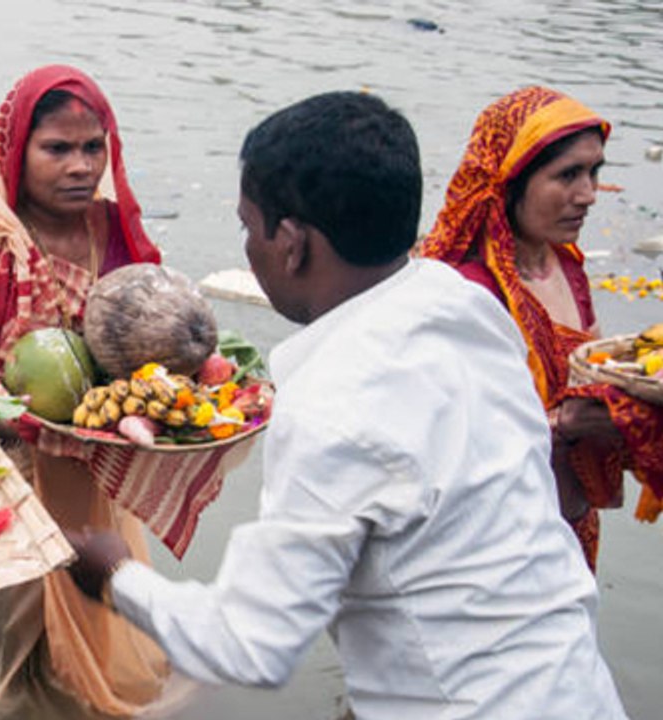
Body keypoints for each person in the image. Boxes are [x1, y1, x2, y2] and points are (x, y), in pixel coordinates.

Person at [65, 91, 628, 718]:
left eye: (248, 227)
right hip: (578, 689)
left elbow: (251, 645)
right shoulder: (467, 305)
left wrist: (118, 577)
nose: (248, 246)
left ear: (291, 242)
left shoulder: (334, 405)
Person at [0, 65, 184, 717]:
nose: (79, 166)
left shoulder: (114, 231)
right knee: (11, 637)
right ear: (15, 151)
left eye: (93, 148)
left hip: (93, 462)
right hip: (5, 468)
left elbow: (146, 338)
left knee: (99, 609)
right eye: (56, 148)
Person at [419, 86, 663, 570]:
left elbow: (591, 378)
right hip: (491, 549)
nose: (588, 195)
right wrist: (562, 425)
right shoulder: (463, 291)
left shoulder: (566, 266)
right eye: (567, 175)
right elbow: (441, 452)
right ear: (508, 181)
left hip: (570, 526)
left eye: (594, 172)